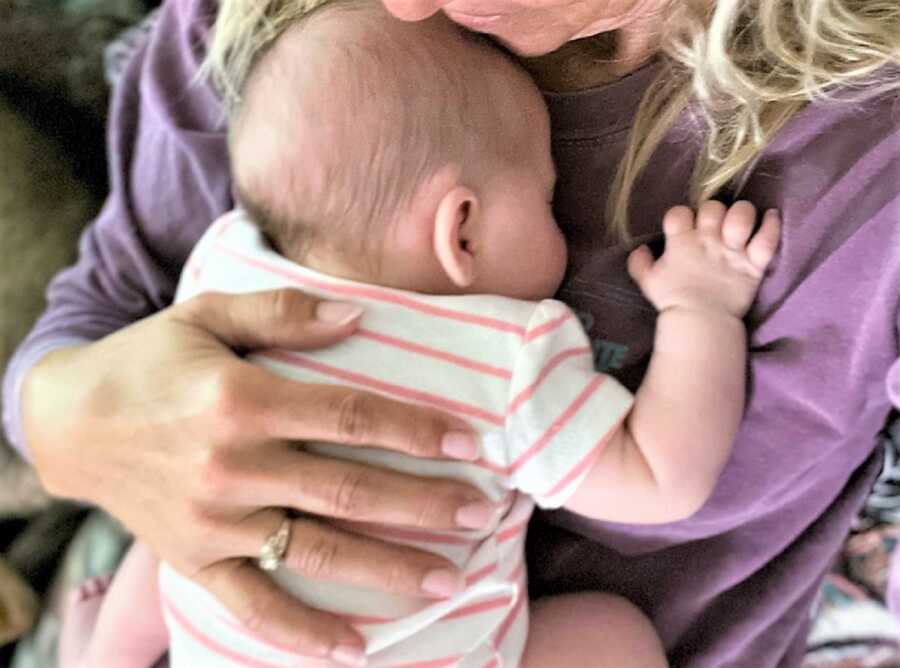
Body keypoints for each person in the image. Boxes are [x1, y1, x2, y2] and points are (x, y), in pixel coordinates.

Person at [3, 0, 898, 664]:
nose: (405, 6)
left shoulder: (235, 264)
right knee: (609, 640)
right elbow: (661, 476)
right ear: (460, 231)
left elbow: (146, 336)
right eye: (549, 198)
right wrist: (701, 311)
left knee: (172, 549)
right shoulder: (507, 360)